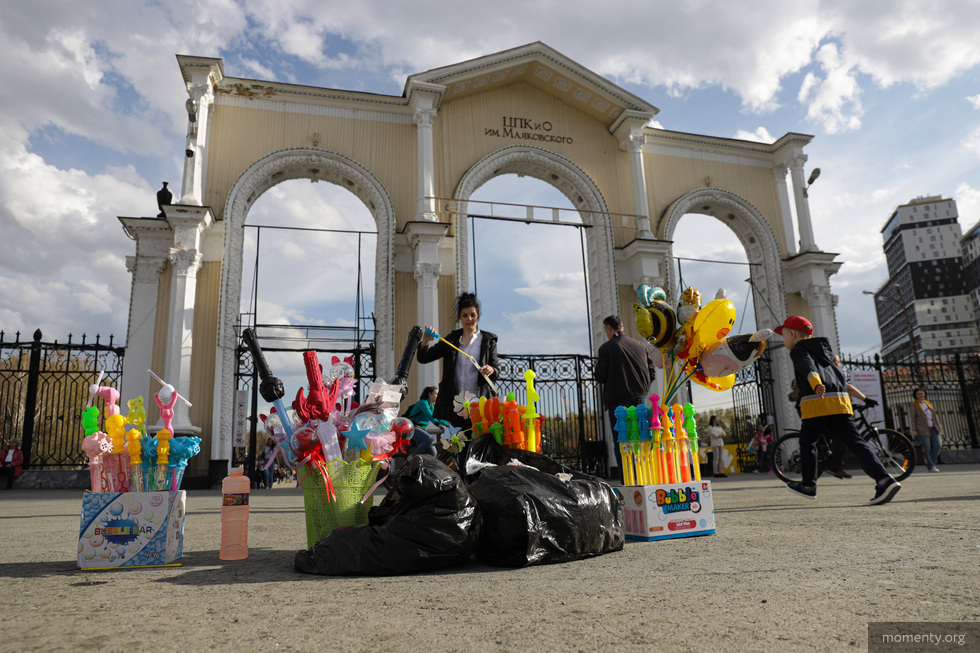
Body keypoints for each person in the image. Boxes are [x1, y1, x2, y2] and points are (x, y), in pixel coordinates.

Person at [777, 316, 901, 505]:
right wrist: (863, 398)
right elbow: (839, 377)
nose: (784, 339)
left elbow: (807, 368)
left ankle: (808, 486)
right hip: (840, 403)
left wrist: (816, 384)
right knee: (857, 442)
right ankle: (885, 479)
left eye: (784, 335)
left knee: (807, 442)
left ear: (792, 334)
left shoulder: (798, 350)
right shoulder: (825, 352)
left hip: (818, 403)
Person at [417, 292, 499, 429]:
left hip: (481, 404)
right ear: (460, 317)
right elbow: (424, 358)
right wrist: (424, 342)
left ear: (478, 315)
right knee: (461, 447)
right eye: (465, 315)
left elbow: (496, 369)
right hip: (458, 406)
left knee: (480, 445)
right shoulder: (452, 340)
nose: (469, 319)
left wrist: (491, 369)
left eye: (473, 315)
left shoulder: (488, 341)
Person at [595, 315, 657, 478]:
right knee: (642, 438)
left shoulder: (606, 348)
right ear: (622, 327)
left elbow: (600, 376)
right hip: (640, 400)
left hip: (618, 403)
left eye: (605, 331)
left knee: (622, 440)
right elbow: (652, 372)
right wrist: (642, 388)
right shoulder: (640, 345)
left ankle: (628, 480)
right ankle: (645, 476)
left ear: (609, 328)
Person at [405, 386, 450, 457]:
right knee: (430, 440)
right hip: (413, 428)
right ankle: (412, 457)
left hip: (422, 429)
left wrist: (450, 427)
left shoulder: (432, 406)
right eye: (436, 394)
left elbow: (439, 418)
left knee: (433, 454)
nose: (438, 396)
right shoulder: (423, 403)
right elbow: (430, 416)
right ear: (430, 394)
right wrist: (439, 425)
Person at [910, 387, 942, 472]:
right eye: (919, 394)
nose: (921, 395)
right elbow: (912, 419)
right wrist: (913, 430)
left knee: (938, 446)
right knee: (927, 447)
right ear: (915, 396)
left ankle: (931, 463)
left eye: (922, 393)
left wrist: (939, 425)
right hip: (922, 428)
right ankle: (931, 466)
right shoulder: (914, 405)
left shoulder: (928, 403)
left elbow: (934, 416)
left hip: (933, 427)